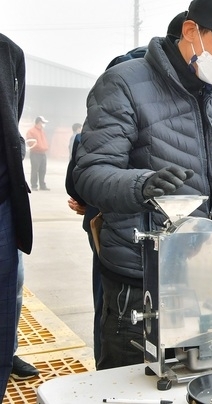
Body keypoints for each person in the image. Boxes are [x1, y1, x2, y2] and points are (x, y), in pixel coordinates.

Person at [72, 0, 212, 370]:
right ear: (192, 32)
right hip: (139, 276)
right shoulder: (124, 83)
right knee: (131, 381)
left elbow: (209, 185)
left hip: (198, 274)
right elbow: (91, 173)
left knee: (191, 377)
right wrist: (143, 184)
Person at [65, 10, 188, 369]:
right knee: (115, 314)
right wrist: (139, 183)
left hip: (152, 247)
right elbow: (85, 176)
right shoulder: (118, 92)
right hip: (120, 239)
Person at [0, 32, 33, 397]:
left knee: (10, 294)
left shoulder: (9, 54)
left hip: (4, 205)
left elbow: (11, 119)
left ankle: (7, 356)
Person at [26, 115, 50, 191]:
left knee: (43, 170)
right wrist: (40, 147)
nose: (43, 124)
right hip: (35, 153)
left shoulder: (42, 131)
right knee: (35, 169)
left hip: (43, 153)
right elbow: (30, 142)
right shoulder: (31, 131)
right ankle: (34, 186)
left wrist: (45, 148)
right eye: (43, 122)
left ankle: (42, 185)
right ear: (39, 122)